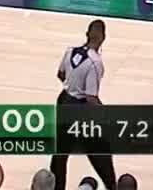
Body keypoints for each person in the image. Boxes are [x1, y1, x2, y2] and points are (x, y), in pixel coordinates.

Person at [49, 20, 115, 190]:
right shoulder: (95, 62)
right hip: (80, 107)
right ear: (103, 38)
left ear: (87, 34)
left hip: (64, 100)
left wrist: (72, 85)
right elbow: (91, 99)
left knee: (60, 154)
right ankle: (112, 186)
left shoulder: (70, 51)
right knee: (99, 151)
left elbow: (60, 74)